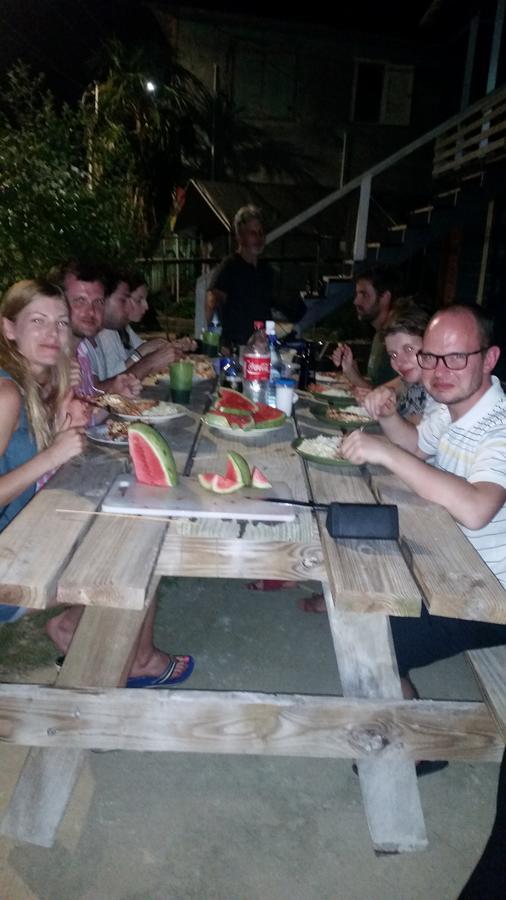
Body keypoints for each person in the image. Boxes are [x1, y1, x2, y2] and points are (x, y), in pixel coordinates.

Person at [0, 278, 194, 688]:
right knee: (131, 555)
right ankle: (105, 685)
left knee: (138, 523)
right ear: (8, 328)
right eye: (37, 321)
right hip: (8, 567)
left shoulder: (36, 384)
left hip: (21, 536)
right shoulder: (6, 394)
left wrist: (62, 428)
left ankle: (82, 634)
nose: (53, 334)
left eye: (60, 323)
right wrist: (53, 454)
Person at [342, 304, 506, 721]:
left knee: (370, 636)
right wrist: (390, 417)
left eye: (456, 358)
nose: (439, 370)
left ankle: (412, 744)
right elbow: (415, 445)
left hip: (491, 592)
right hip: (452, 559)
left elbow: (475, 509)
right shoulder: (448, 407)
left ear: (489, 358)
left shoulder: (500, 428)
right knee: (357, 568)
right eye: (430, 357)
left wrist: (384, 452)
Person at [61, 264, 142, 399]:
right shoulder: (48, 360)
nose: (91, 311)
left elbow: (88, 412)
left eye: (98, 301)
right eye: (80, 300)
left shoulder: (82, 353)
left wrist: (115, 391)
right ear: (59, 302)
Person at [206, 205, 273, 347]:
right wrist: (217, 341)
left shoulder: (265, 269)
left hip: (262, 345)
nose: (259, 238)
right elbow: (212, 301)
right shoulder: (230, 267)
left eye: (261, 233)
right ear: (239, 236)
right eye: (253, 233)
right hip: (237, 346)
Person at [360, 297, 433, 425]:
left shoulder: (437, 393)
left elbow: (416, 438)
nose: (400, 361)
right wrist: (377, 394)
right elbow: (396, 384)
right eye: (393, 354)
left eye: (409, 349)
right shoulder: (411, 380)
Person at [331, 265, 402, 388]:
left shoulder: (398, 340)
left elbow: (392, 399)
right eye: (357, 294)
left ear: (385, 298)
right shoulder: (379, 335)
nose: (356, 301)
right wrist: (352, 369)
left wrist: (352, 375)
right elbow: (377, 385)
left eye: (364, 295)